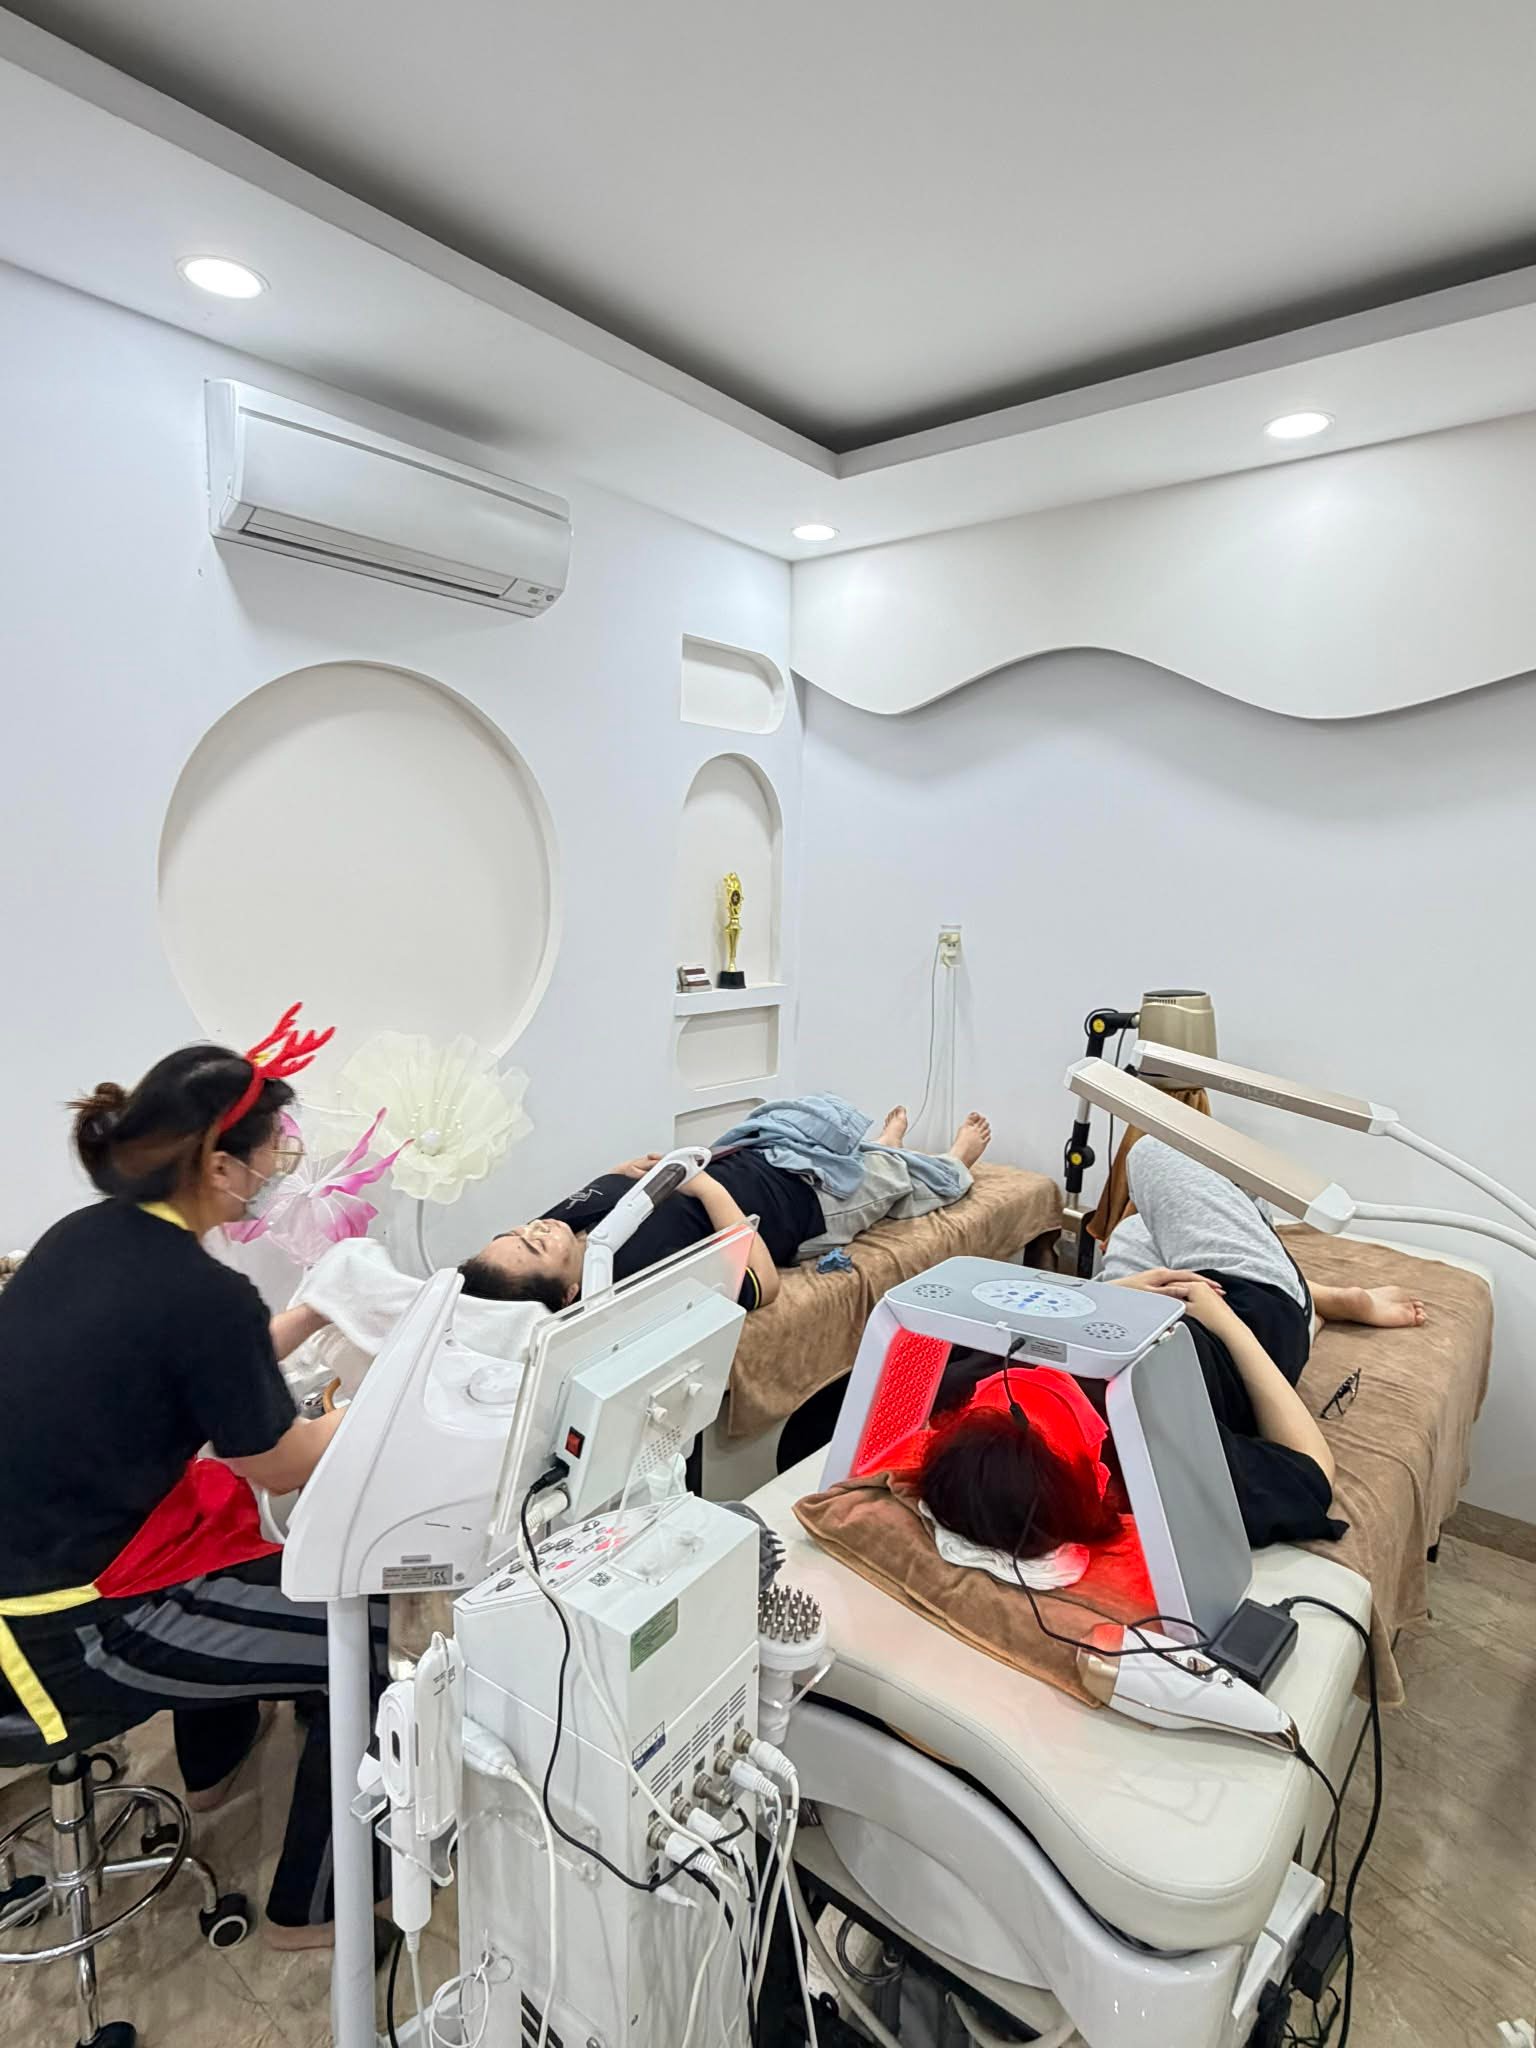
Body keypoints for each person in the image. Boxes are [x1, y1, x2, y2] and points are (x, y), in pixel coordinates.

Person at [0, 1021, 383, 1951]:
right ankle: (315, 1908)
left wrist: (315, 1310)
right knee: (356, 1628)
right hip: (65, 1633)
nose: (273, 1176)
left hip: (28, 1566)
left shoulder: (83, 1239)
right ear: (219, 1163)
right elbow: (281, 1460)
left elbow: (193, 1377)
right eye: (269, 1158)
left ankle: (213, 1767)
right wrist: (384, 1401)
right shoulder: (202, 1295)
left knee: (224, 1534)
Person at [920, 1135, 1426, 1557]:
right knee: (1151, 1154)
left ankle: (1295, 1286)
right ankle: (1316, 1299)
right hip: (1247, 1306)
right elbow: (1313, 1476)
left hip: (1123, 1305)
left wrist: (1108, 1294)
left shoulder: (969, 1391)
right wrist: (1223, 1321)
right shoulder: (1155, 1454)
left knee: (1134, 1228)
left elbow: (962, 1326)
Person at [458, 1102, 993, 1312]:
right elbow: (764, 1283)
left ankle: (884, 1146)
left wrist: (644, 1169)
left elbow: (615, 1182)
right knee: (902, 1179)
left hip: (747, 1156)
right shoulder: (638, 1281)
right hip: (809, 1200)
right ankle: (951, 1160)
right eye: (534, 1245)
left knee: (812, 1116)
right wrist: (702, 1189)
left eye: (518, 1229)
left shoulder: (564, 1227)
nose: (537, 1227)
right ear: (569, 1291)